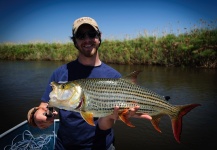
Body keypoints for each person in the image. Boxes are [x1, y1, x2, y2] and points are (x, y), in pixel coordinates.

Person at [27, 17, 151, 150]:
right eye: (80, 36)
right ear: (74, 41)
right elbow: (49, 104)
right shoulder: (60, 73)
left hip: (102, 146)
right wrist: (38, 115)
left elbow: (104, 125)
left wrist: (111, 116)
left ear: (99, 36)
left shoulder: (114, 77)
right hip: (64, 146)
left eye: (91, 34)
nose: (87, 40)